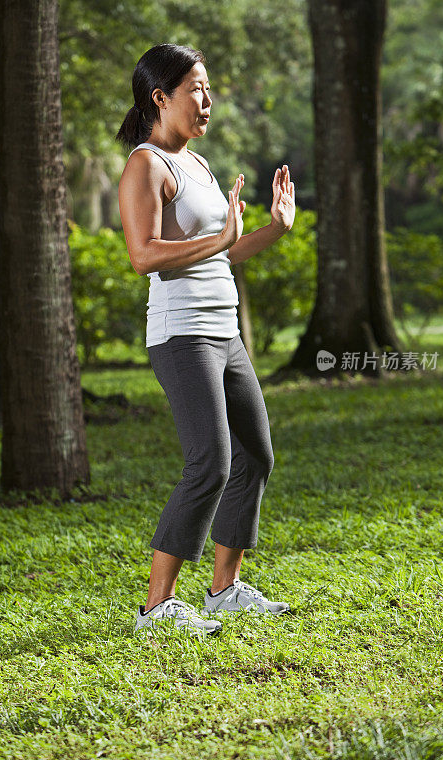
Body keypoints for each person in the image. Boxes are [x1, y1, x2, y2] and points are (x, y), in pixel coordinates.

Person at [116, 43, 296, 637]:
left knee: (256, 455)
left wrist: (272, 228)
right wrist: (221, 239)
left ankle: (223, 589)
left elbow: (227, 247)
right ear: (159, 97)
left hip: (225, 333)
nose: (207, 99)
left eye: (208, 87)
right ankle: (156, 606)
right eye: (195, 88)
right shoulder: (146, 165)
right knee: (209, 465)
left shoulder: (198, 163)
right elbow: (144, 256)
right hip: (182, 335)